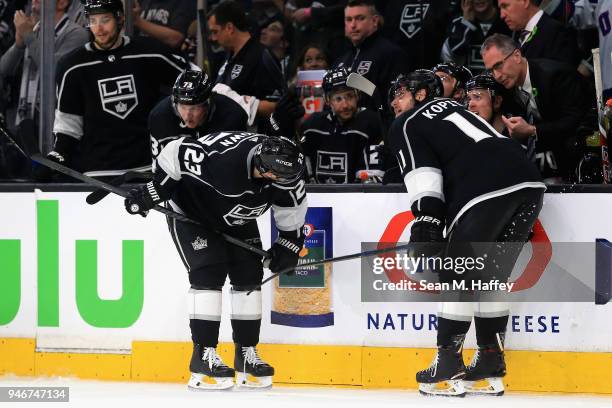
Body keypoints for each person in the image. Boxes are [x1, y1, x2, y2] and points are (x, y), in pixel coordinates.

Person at [386, 69, 545, 396]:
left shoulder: (408, 122)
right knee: (488, 278)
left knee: (455, 275)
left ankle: (448, 363)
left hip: (485, 190)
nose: (393, 103)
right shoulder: (458, 108)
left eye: (399, 94)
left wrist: (426, 223)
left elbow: (424, 174)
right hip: (528, 185)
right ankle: (490, 359)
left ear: (419, 95)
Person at [123, 132, 307, 390]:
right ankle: (203, 356)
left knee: (249, 276)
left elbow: (293, 207)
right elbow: (177, 149)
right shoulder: (222, 161)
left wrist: (289, 243)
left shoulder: (287, 169)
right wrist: (157, 189)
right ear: (262, 167)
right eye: (277, 177)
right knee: (208, 273)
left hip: (236, 215)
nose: (283, 182)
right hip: (192, 210)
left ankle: (246, 354)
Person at [45, 0, 189, 180]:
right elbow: (68, 123)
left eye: (105, 20)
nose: (99, 28)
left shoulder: (149, 52)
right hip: (98, 173)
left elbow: (194, 79)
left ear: (120, 19)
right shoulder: (72, 66)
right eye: (93, 20)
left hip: (146, 170)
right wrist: (60, 154)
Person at [481, 33, 589, 181]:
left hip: (578, 151)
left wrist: (532, 131)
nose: (497, 76)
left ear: (517, 56)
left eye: (498, 66)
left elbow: (573, 121)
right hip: (543, 157)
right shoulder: (506, 87)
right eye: (490, 71)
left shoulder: (555, 75)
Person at [0, 0, 88, 132]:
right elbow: (3, 70)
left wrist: (28, 36)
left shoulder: (77, 34)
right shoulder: (31, 29)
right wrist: (18, 45)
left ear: (62, 3)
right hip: (21, 126)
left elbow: (54, 70)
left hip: (56, 128)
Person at [207, 1, 286, 132]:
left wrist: (239, 100)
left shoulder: (262, 56)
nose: (213, 38)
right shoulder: (227, 57)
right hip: (227, 138)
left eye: (215, 31)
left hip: (255, 140)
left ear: (229, 28)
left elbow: (279, 106)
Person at [300, 67, 383, 183]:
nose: (345, 105)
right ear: (327, 100)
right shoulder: (312, 126)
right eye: (338, 99)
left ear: (357, 95)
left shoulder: (370, 123)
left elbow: (371, 181)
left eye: (349, 96)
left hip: (356, 199)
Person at [148, 69, 249, 161]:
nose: (187, 116)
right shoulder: (159, 117)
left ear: (208, 103)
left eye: (194, 108)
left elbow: (237, 167)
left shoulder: (233, 116)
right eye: (182, 107)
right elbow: (159, 168)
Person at [334, 0, 409, 116]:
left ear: (374, 21)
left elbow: (396, 100)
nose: (353, 25)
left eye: (360, 18)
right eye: (349, 20)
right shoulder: (341, 60)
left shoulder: (390, 53)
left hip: (378, 128)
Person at [498, 0, 580, 67]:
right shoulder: (514, 36)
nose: (502, 15)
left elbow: (562, 81)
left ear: (525, 1)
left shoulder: (558, 33)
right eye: (500, 8)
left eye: (505, 6)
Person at [441, 0, 511, 74]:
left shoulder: (508, 19)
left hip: (502, 80)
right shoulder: (457, 22)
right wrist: (467, 23)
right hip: (469, 83)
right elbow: (451, 55)